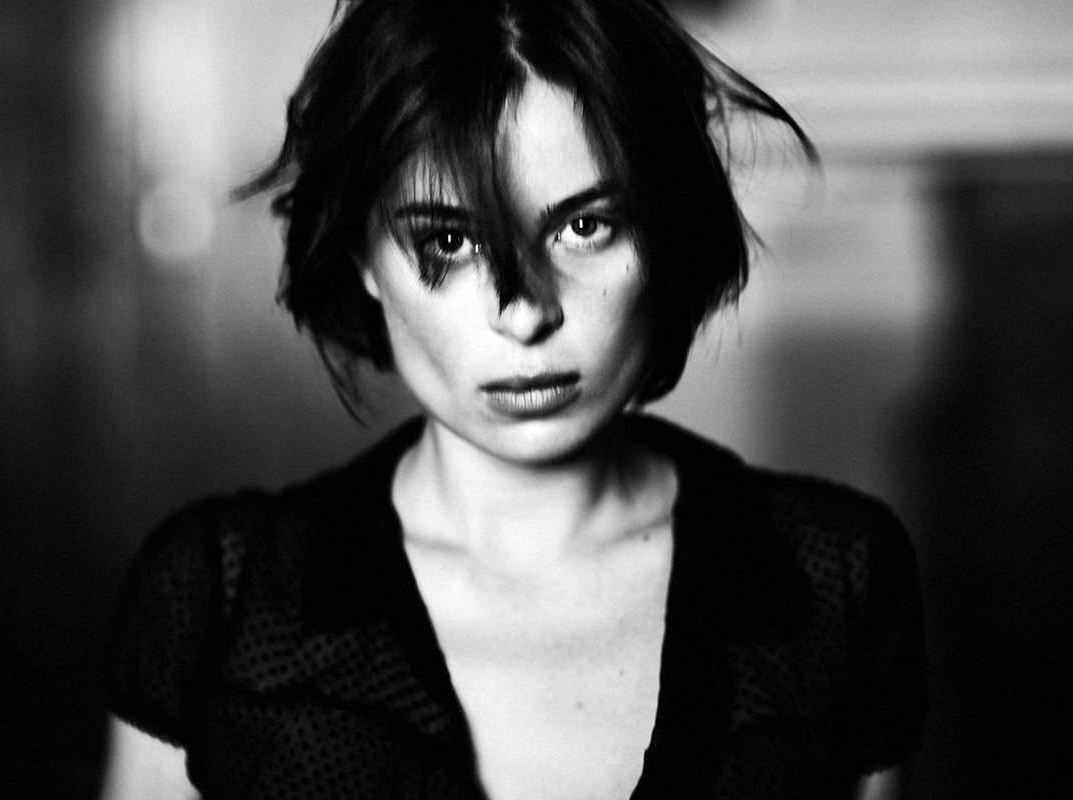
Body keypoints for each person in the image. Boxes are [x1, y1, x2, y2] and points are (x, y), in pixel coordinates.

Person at [100, 0, 928, 798]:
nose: (525, 313)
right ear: (362, 258)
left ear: (664, 227)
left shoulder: (835, 580)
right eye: (449, 240)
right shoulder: (217, 605)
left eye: (585, 227)